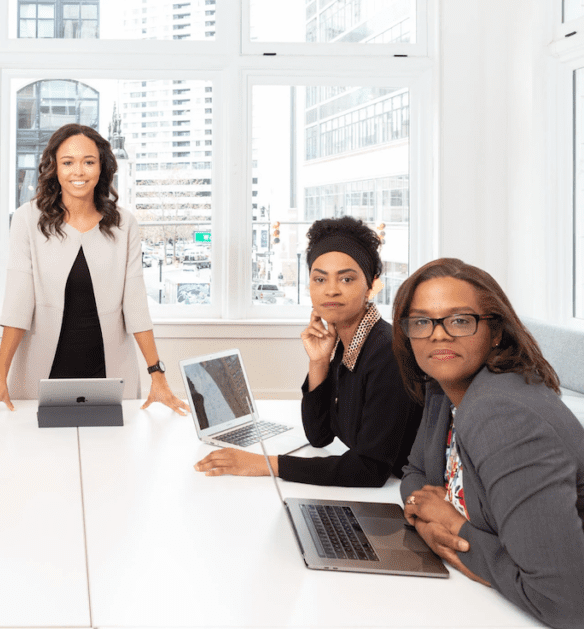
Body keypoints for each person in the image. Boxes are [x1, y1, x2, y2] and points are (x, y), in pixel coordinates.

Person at [396, 258, 584, 629]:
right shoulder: (442, 389)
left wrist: (454, 529)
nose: (438, 335)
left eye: (460, 320)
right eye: (421, 321)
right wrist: (424, 518)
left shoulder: (501, 415)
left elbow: (563, 603)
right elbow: (414, 471)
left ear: (496, 332)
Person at [0, 123, 187, 417]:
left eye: (88, 162)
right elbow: (17, 304)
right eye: (67, 163)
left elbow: (135, 304)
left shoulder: (124, 223)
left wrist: (156, 374)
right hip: (42, 372)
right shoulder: (27, 219)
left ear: (102, 167)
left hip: (108, 371)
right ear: (54, 168)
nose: (78, 172)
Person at [195, 217, 421, 486]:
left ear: (371, 286)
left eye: (347, 278)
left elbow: (370, 470)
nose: (332, 290)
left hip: (401, 496)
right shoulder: (344, 343)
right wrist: (319, 362)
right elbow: (319, 435)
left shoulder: (387, 352)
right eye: (320, 279)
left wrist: (264, 464)